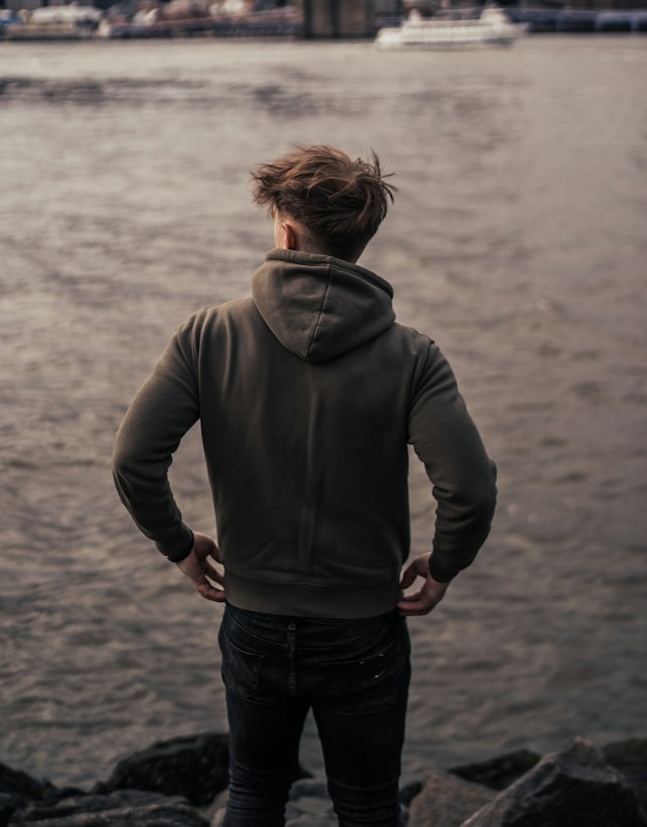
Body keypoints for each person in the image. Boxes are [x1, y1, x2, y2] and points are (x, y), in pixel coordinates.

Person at [113, 145, 497, 827]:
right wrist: (442, 567)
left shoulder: (208, 335)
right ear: (361, 239)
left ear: (285, 233)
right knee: (370, 807)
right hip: (363, 629)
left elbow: (135, 459)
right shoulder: (414, 356)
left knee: (255, 797)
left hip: (255, 617)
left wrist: (178, 544)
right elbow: (467, 486)